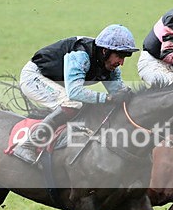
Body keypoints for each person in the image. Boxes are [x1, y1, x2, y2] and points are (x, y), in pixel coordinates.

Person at [14, 24, 137, 162]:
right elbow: (74, 92)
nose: (121, 62)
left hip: (59, 83)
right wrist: (107, 98)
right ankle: (28, 145)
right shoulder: (81, 55)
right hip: (35, 78)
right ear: (105, 51)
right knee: (73, 103)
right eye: (119, 56)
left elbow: (119, 94)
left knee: (87, 105)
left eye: (125, 57)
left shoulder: (110, 64)